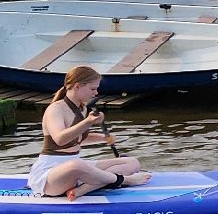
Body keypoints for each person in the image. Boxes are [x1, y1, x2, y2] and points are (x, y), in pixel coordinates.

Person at [28, 66, 150, 198]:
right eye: (93, 89)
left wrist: (103, 137)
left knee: (131, 162)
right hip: (51, 176)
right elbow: (60, 139)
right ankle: (124, 180)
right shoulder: (55, 109)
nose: (96, 93)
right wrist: (88, 122)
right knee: (77, 165)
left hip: (75, 167)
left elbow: (77, 139)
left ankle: (82, 190)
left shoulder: (82, 109)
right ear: (77, 86)